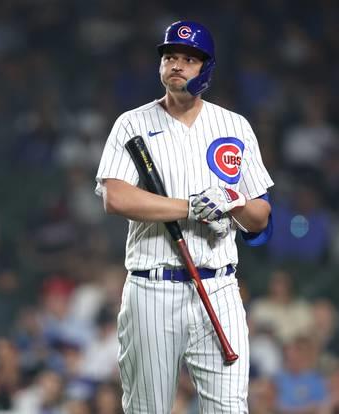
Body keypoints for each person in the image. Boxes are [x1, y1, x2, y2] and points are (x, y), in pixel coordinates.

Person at [95, 20, 274, 412]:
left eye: (188, 59)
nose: (176, 64)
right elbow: (115, 196)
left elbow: (260, 217)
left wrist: (231, 200)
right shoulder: (133, 123)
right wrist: (189, 206)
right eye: (170, 56)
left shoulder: (234, 126)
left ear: (205, 69)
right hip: (152, 288)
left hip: (220, 287)